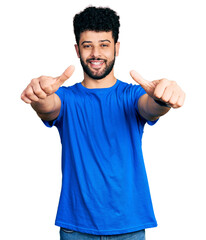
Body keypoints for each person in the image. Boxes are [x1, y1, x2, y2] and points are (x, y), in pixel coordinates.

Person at [21, 6, 185, 240]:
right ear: (77, 50)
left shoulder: (131, 96)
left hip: (129, 226)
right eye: (88, 45)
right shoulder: (66, 98)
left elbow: (151, 108)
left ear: (116, 48)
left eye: (104, 44)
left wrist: (162, 98)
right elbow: (48, 107)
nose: (95, 53)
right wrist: (39, 96)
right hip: (76, 227)